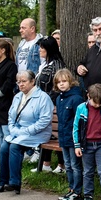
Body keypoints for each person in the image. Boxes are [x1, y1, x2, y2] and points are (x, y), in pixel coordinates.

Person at [0, 70, 53, 195]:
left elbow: (44, 121)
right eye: (18, 82)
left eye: (24, 81)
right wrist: (13, 129)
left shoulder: (43, 97)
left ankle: (15, 182)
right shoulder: (18, 96)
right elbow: (11, 116)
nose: (21, 84)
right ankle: (2, 182)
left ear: (32, 81)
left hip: (37, 133)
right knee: (4, 147)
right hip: (19, 132)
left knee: (15, 147)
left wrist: (27, 131)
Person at [34, 36, 67, 172]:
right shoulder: (44, 64)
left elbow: (58, 87)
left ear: (49, 49)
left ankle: (61, 165)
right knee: (46, 132)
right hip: (43, 104)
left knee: (56, 132)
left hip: (53, 104)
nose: (40, 50)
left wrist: (47, 101)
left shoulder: (57, 65)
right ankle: (46, 163)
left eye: (42, 47)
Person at [54, 69, 85, 200]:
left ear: (70, 82)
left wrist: (78, 139)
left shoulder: (76, 98)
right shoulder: (59, 98)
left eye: (64, 81)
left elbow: (80, 120)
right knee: (67, 163)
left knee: (75, 165)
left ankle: (77, 191)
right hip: (63, 137)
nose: (61, 84)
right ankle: (71, 188)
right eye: (58, 82)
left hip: (74, 138)